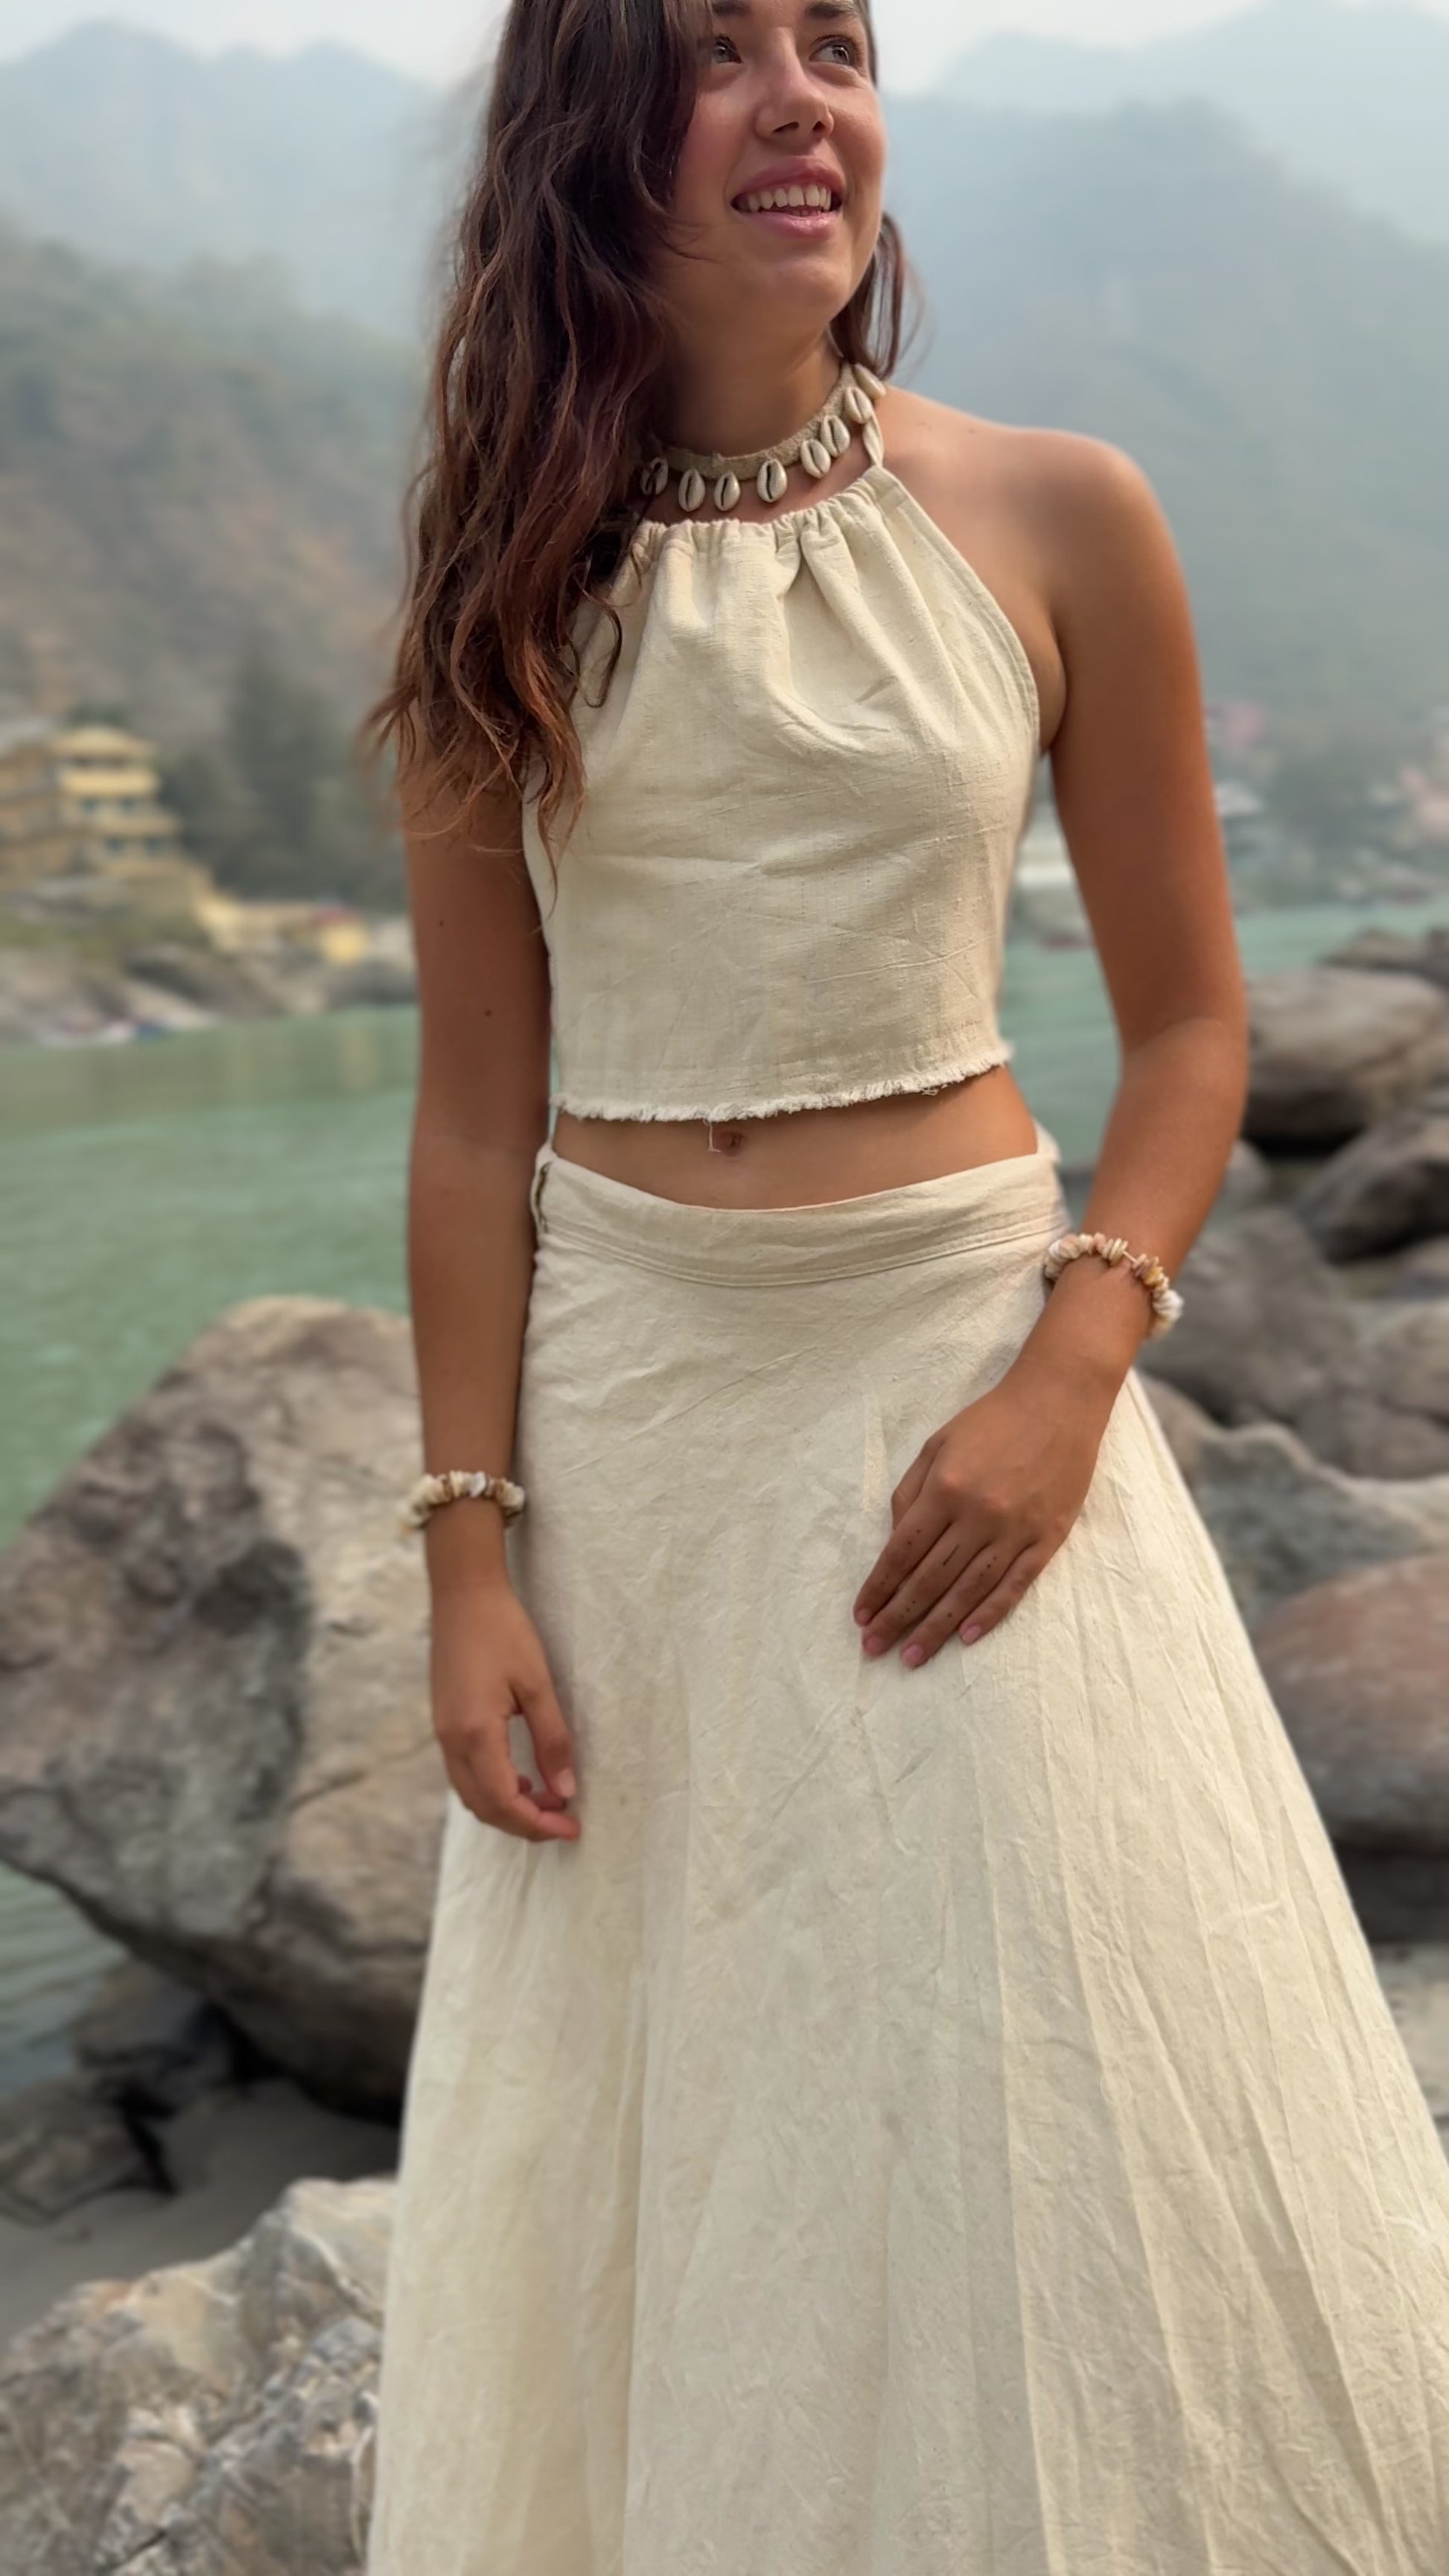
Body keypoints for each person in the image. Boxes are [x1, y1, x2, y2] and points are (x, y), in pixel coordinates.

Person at [363, 1, 1449, 2567]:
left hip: (963, 1379)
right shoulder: (499, 572)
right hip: (634, 1418)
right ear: (590, 133)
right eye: (717, 52)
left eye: (832, 42)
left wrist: (1072, 1368)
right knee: (702, 2127)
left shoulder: (1057, 511)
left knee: (1049, 2105)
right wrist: (465, 1551)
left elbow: (1190, 1026)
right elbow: (465, 1118)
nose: (798, 101)